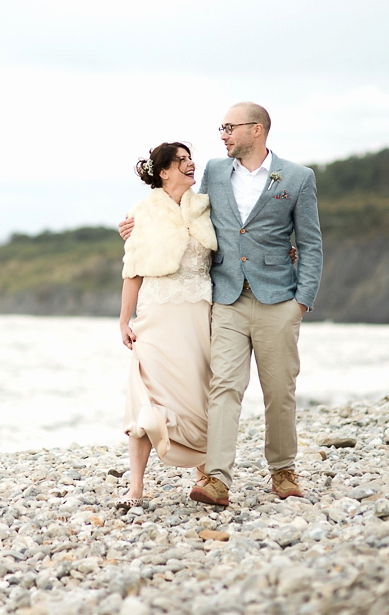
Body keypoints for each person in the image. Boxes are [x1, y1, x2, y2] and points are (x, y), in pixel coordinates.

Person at [120, 102, 322, 507]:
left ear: (257, 130)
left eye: (230, 127)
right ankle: (216, 478)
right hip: (225, 298)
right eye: (222, 127)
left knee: (278, 390)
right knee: (224, 388)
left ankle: (283, 471)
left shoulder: (297, 178)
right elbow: (172, 212)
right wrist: (129, 227)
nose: (223, 134)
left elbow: (311, 242)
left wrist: (302, 301)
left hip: (278, 298)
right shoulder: (214, 171)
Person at [117, 141, 217, 511]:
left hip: (199, 316)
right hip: (156, 317)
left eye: (192, 159)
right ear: (163, 172)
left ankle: (206, 480)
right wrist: (124, 320)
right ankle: (136, 486)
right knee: (147, 397)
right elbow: (133, 271)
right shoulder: (141, 213)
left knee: (199, 397)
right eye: (182, 161)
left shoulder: (206, 206)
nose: (191, 165)